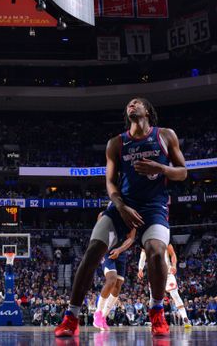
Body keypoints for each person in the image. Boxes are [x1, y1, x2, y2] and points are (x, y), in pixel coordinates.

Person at [55, 98, 188, 337]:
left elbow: (183, 172)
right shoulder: (116, 143)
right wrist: (122, 207)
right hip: (121, 206)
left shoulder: (166, 136)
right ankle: (71, 316)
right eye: (129, 103)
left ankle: (156, 310)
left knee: (157, 251)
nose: (131, 104)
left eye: (137, 102)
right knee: (93, 249)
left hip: (154, 207)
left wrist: (161, 169)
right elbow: (109, 182)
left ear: (147, 111)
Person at [92, 218, 136, 331]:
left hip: (121, 253)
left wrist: (120, 250)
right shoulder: (105, 215)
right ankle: (98, 312)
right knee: (111, 280)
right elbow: (98, 232)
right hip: (107, 250)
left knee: (118, 286)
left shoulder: (131, 218)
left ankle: (103, 316)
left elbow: (131, 238)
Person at [139, 242, 193, 328]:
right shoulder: (147, 241)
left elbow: (173, 254)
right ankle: (156, 320)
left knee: (175, 295)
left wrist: (174, 266)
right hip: (154, 275)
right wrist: (140, 268)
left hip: (167, 274)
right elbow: (142, 256)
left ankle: (185, 318)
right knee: (153, 299)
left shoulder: (166, 241)